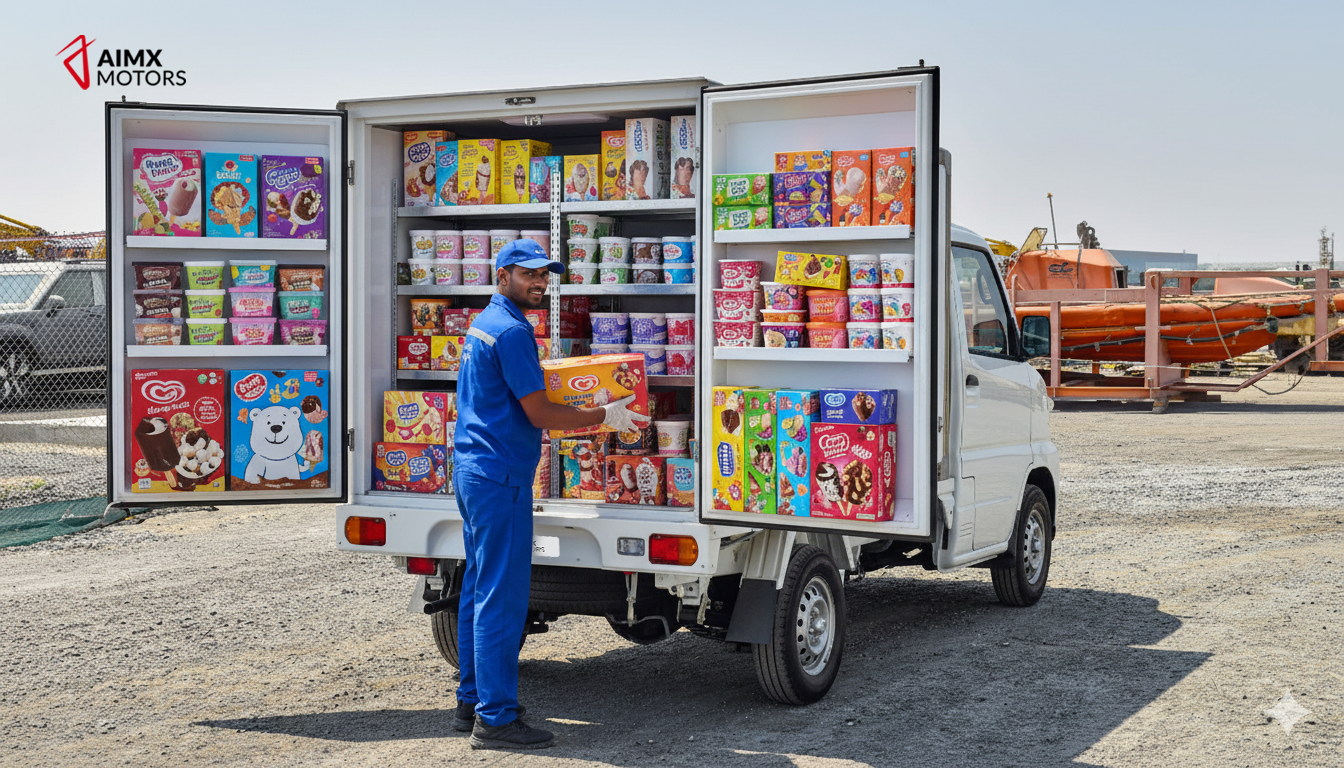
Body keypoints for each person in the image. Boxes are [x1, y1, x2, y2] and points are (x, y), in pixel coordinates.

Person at [450, 239, 648, 750]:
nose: (539, 283)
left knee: (476, 587)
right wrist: (605, 415)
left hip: (473, 470)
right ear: (503, 275)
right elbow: (540, 414)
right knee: (502, 596)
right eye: (529, 274)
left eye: (545, 275)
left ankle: (471, 699)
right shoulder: (513, 333)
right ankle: (495, 720)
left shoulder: (484, 324)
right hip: (500, 477)